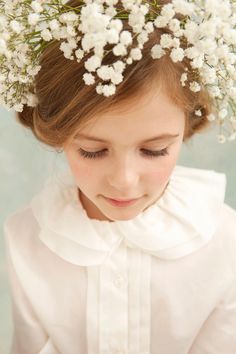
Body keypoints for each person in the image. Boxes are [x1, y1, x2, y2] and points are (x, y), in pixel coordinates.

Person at [2, 0, 236, 353]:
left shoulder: (225, 245)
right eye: (92, 151)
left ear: (189, 121)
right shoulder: (27, 240)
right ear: (58, 133)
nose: (124, 180)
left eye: (154, 150)